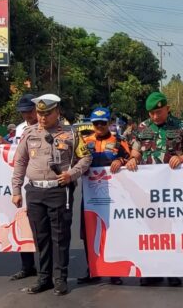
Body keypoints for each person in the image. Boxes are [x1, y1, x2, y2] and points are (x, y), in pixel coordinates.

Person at [11, 94, 92, 296]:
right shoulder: (29, 134)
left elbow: (86, 158)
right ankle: (44, 278)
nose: (42, 117)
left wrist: (72, 174)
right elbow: (20, 162)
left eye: (47, 113)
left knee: (60, 237)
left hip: (59, 190)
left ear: (57, 112)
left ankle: (60, 279)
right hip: (35, 190)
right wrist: (16, 189)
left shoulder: (71, 134)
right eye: (40, 113)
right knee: (41, 237)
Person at [127, 91, 183, 287]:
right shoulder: (142, 128)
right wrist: (133, 160)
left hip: (172, 188)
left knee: (172, 228)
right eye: (152, 113)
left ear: (167, 108)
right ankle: (150, 271)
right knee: (150, 230)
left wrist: (182, 158)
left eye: (159, 112)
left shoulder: (181, 127)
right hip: (148, 188)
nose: (155, 116)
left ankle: (172, 270)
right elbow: (135, 151)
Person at [77, 107, 130, 286]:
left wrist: (120, 160)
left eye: (103, 123)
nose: (99, 126)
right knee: (88, 233)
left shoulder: (119, 141)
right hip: (89, 196)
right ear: (92, 124)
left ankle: (114, 272)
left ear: (109, 123)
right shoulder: (84, 141)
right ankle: (92, 269)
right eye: (96, 123)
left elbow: (132, 160)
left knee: (112, 231)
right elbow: (74, 161)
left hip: (114, 196)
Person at [0, 94, 38, 281]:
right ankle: (28, 266)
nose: (27, 115)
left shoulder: (47, 126)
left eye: (29, 111)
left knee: (43, 226)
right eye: (23, 112)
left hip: (43, 180)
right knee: (22, 223)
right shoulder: (20, 129)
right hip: (23, 181)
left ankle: (49, 268)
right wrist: (2, 143)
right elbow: (15, 152)